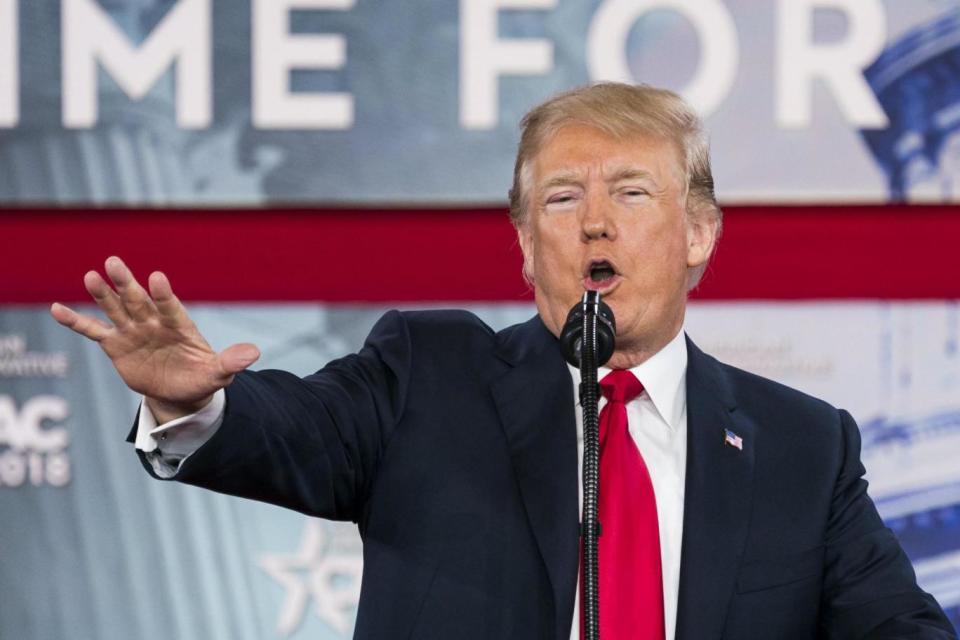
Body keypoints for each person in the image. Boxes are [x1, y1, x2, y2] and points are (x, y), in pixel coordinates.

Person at [50, 83, 956, 639]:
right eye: (562, 198)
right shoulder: (429, 373)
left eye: (631, 192)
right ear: (524, 245)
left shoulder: (805, 445)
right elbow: (295, 431)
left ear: (697, 234)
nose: (595, 221)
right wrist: (197, 406)